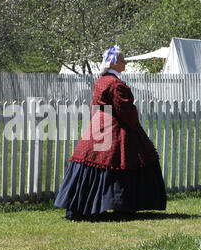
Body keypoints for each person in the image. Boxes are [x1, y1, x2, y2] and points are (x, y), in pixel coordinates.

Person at [54, 45, 166, 220]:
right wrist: (134, 122)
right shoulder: (116, 84)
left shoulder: (101, 81)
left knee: (94, 160)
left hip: (99, 125)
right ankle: (122, 205)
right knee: (122, 161)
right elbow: (125, 111)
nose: (125, 62)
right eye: (122, 60)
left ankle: (84, 205)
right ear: (113, 62)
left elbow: (96, 106)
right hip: (115, 128)